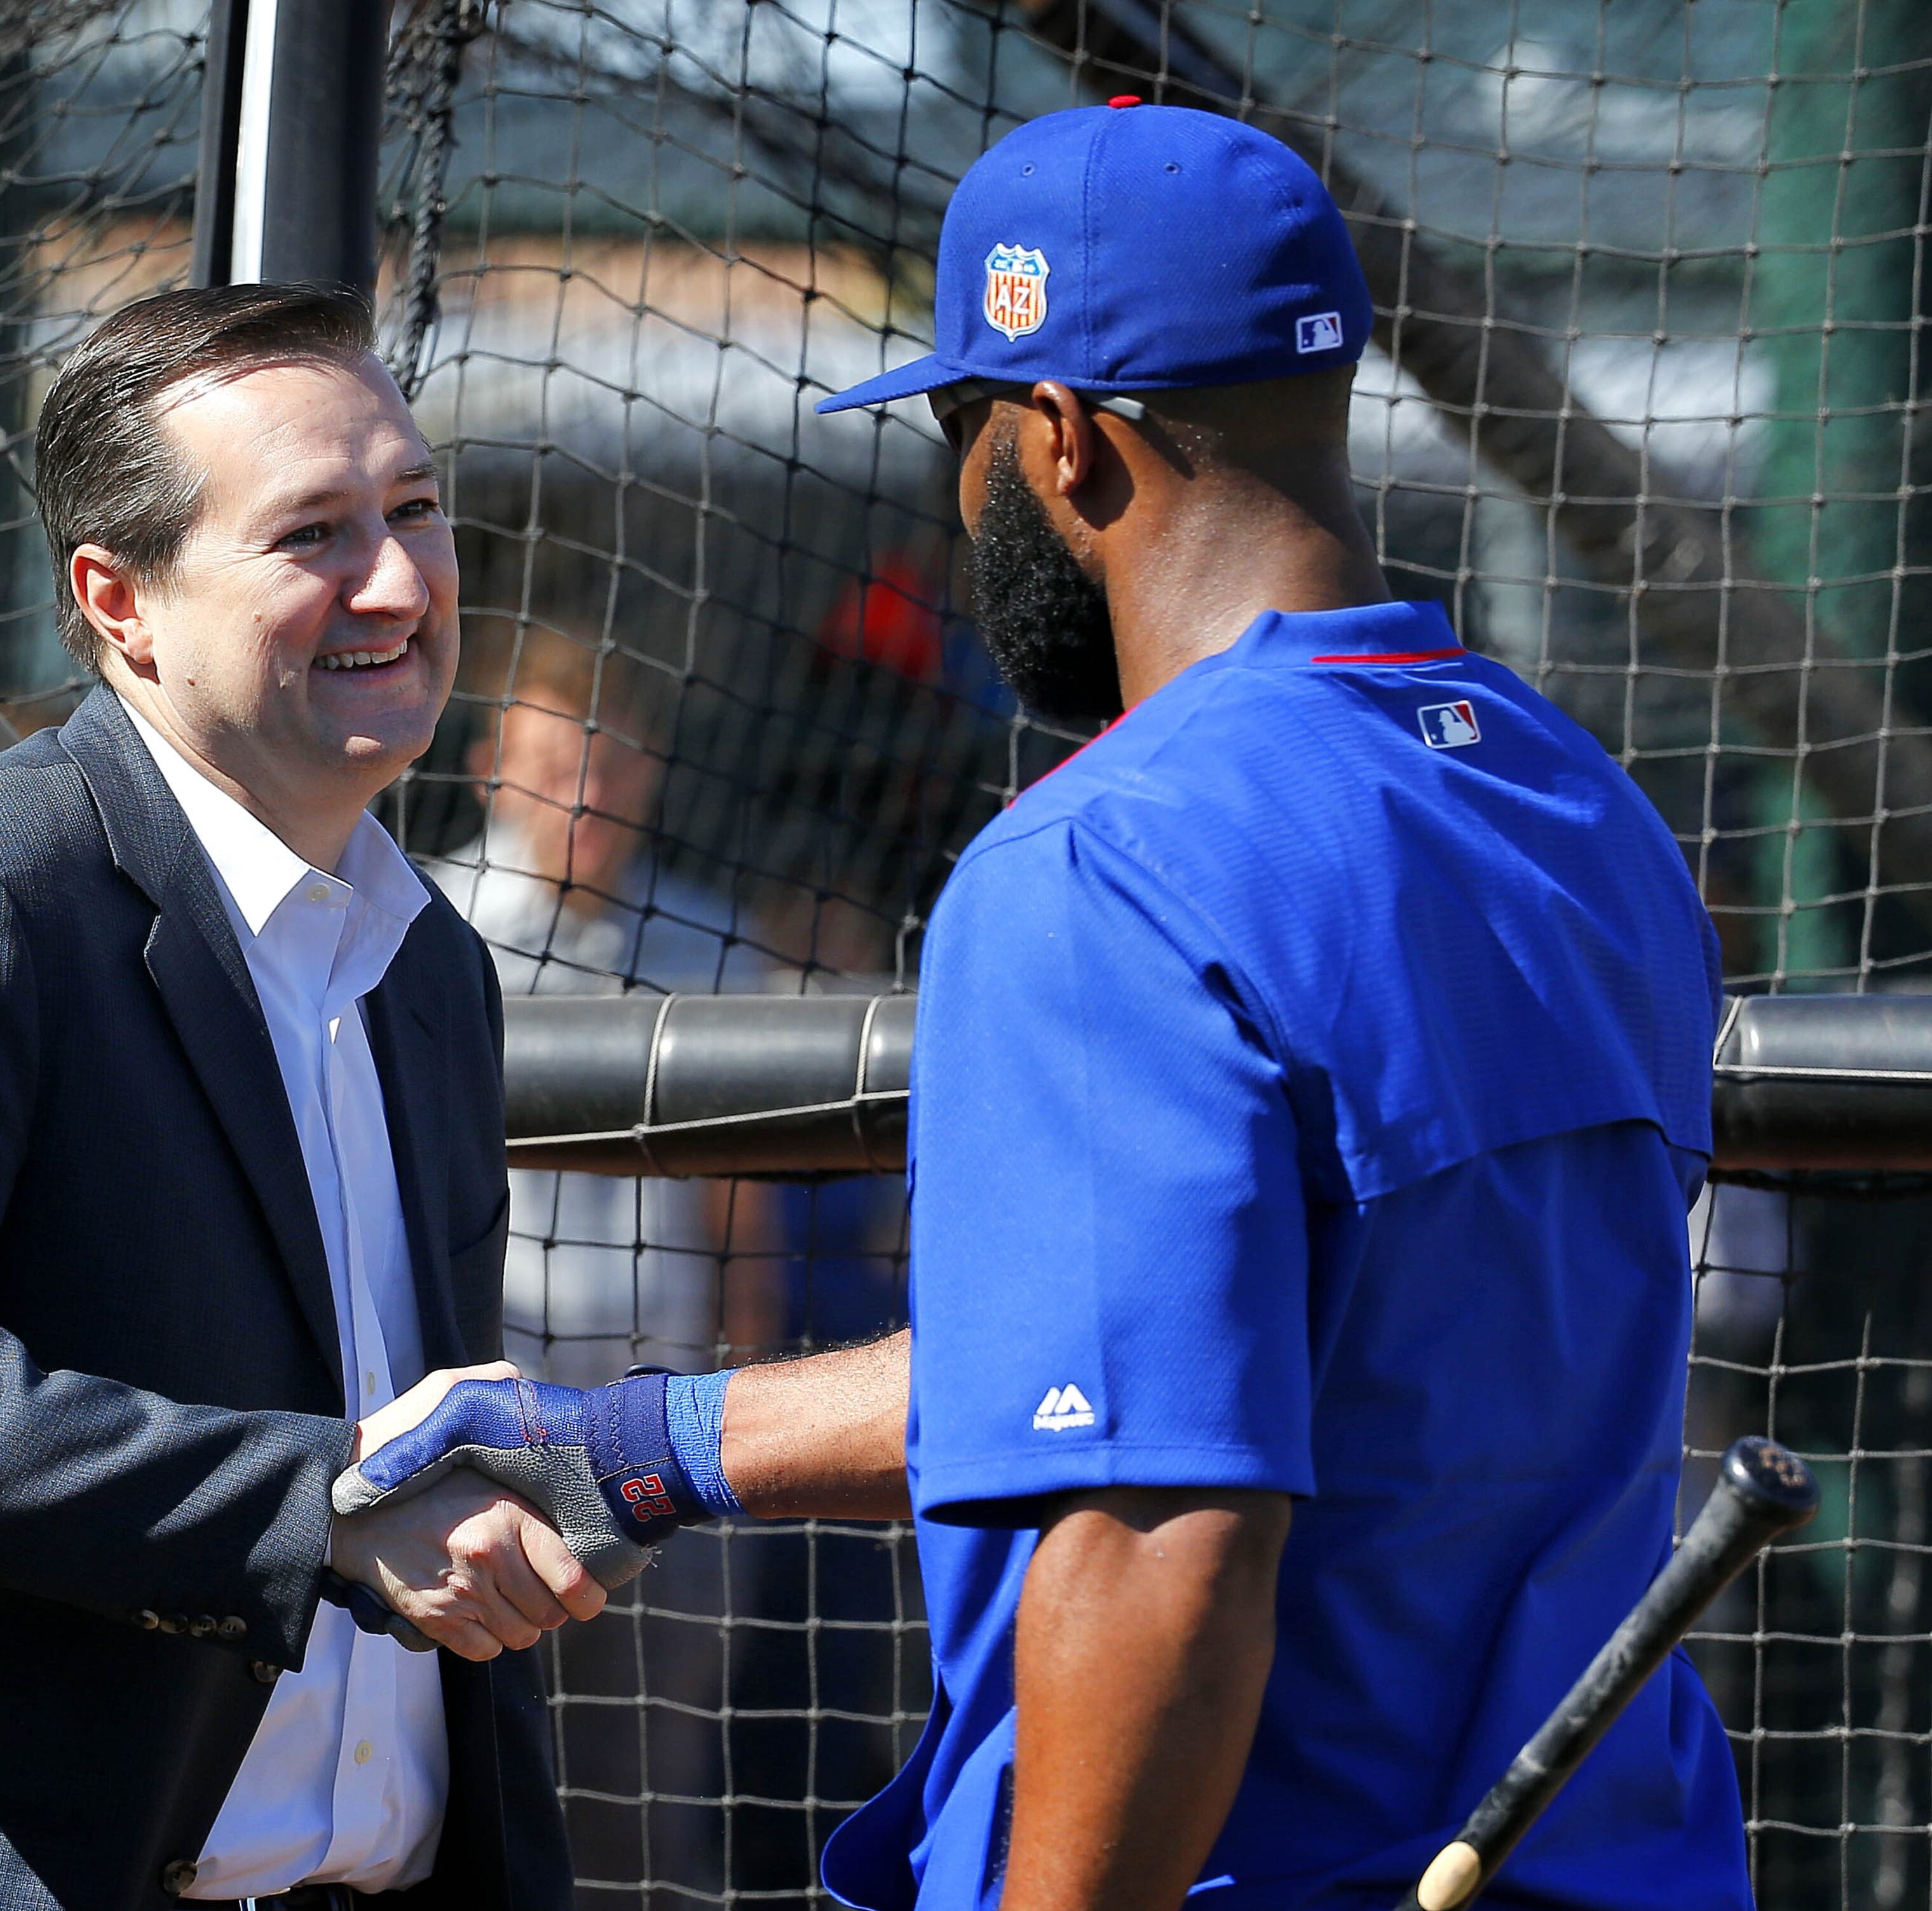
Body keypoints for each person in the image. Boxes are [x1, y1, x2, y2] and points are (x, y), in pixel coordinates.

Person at [333, 103, 1748, 1911]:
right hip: (1614, 1853)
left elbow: (1161, 1524)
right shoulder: (1576, 799)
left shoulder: (1106, 856)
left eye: (964, 426)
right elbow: (1233, 1343)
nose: (961, 488)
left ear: (1065, 440)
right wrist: (648, 1444)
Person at [0, 285, 599, 1911]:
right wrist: (318, 1512)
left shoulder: (431, 970)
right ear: (118, 601)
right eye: (313, 534)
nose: (400, 581)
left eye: (414, 507)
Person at [427, 631, 772, 1382]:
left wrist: (748, 1364)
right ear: (492, 774)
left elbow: (739, 1198)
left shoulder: (709, 941)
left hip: (665, 1372)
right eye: (553, 771)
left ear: (649, 766)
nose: (585, 798)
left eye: (608, 767)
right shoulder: (429, 931)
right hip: (495, 1368)